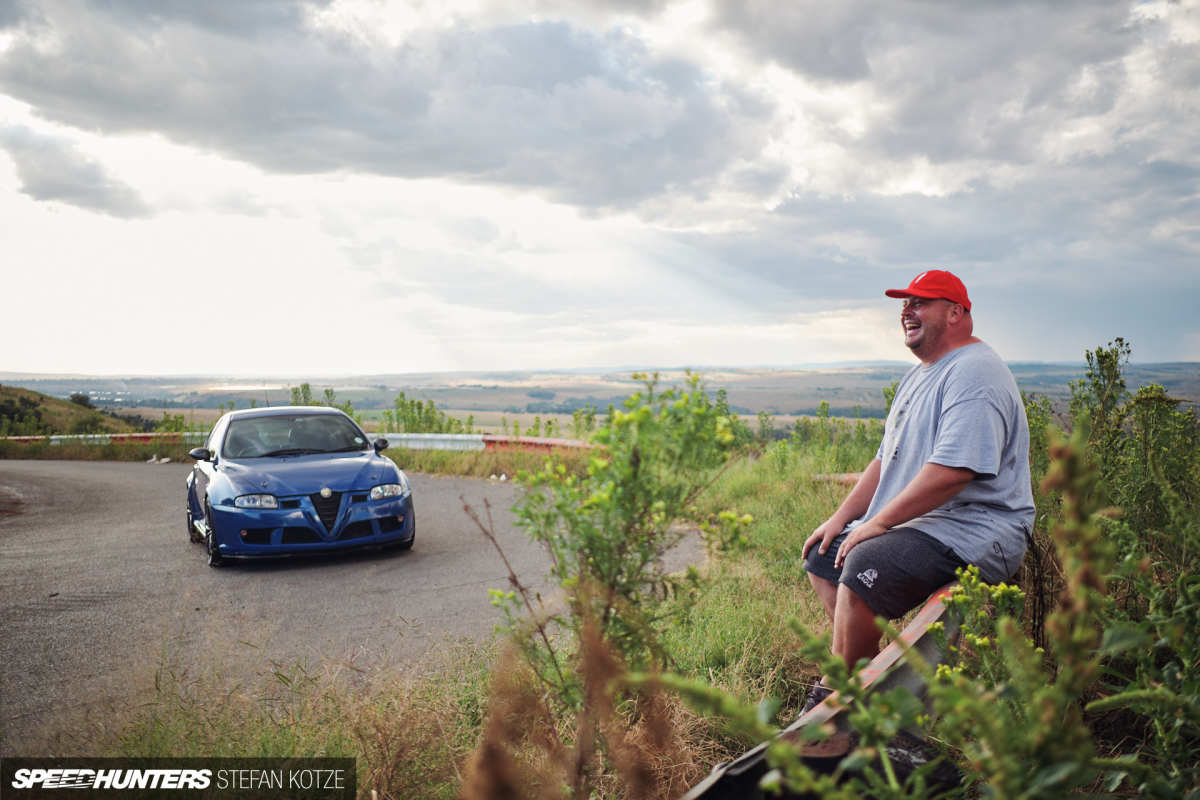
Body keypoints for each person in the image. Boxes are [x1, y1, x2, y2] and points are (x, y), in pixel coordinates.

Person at [800, 269, 1034, 710]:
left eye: (920, 302)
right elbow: (884, 461)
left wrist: (879, 524)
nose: (907, 311)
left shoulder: (975, 373)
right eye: (904, 304)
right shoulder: (920, 375)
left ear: (955, 313)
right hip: (933, 523)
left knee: (866, 561)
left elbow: (953, 473)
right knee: (823, 555)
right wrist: (840, 519)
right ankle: (875, 688)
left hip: (979, 530)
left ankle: (838, 707)